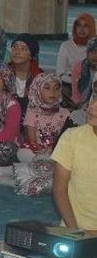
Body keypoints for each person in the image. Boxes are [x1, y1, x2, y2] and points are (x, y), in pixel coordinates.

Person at [52, 98, 97, 231]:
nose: (92, 107)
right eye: (93, 98)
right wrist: (75, 232)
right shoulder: (72, 137)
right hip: (77, 228)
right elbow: (59, 190)